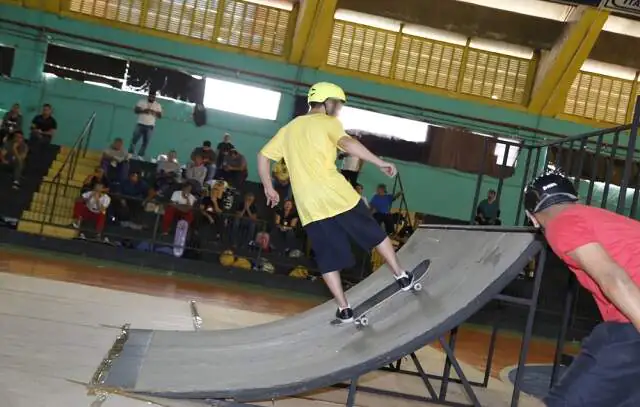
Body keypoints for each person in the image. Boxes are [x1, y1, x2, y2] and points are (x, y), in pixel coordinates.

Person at [257, 82, 415, 324]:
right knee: (374, 233)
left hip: (309, 205)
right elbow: (348, 144)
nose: (339, 109)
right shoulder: (328, 123)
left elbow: (263, 156)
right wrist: (378, 161)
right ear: (326, 101)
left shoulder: (289, 128)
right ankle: (401, 275)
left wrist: (269, 188)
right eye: (338, 104)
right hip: (336, 195)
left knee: (327, 257)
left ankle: (344, 309)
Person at [523, 172, 640, 407]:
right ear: (573, 199)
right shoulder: (597, 218)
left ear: (532, 218)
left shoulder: (560, 224)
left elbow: (613, 277)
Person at [129, 90, 162, 159]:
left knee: (145, 142)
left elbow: (160, 116)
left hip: (150, 126)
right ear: (148, 96)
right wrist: (144, 111)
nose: (152, 98)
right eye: (150, 96)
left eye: (153, 97)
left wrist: (153, 112)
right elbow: (136, 110)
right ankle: (130, 154)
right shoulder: (142, 101)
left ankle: (140, 156)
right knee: (134, 140)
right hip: (140, 123)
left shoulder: (157, 105)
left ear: (155, 97)